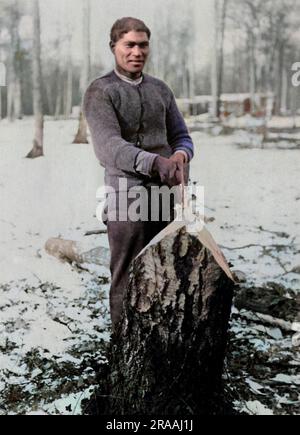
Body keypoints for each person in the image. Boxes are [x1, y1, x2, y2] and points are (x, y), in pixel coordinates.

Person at [83, 17, 194, 333]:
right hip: (125, 192)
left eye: (142, 44)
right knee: (128, 275)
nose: (136, 52)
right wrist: (152, 162)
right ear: (113, 47)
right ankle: (124, 346)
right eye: (129, 44)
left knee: (171, 269)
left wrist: (180, 154)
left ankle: (163, 344)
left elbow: (181, 135)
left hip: (166, 190)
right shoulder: (101, 91)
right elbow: (108, 147)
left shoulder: (160, 89)